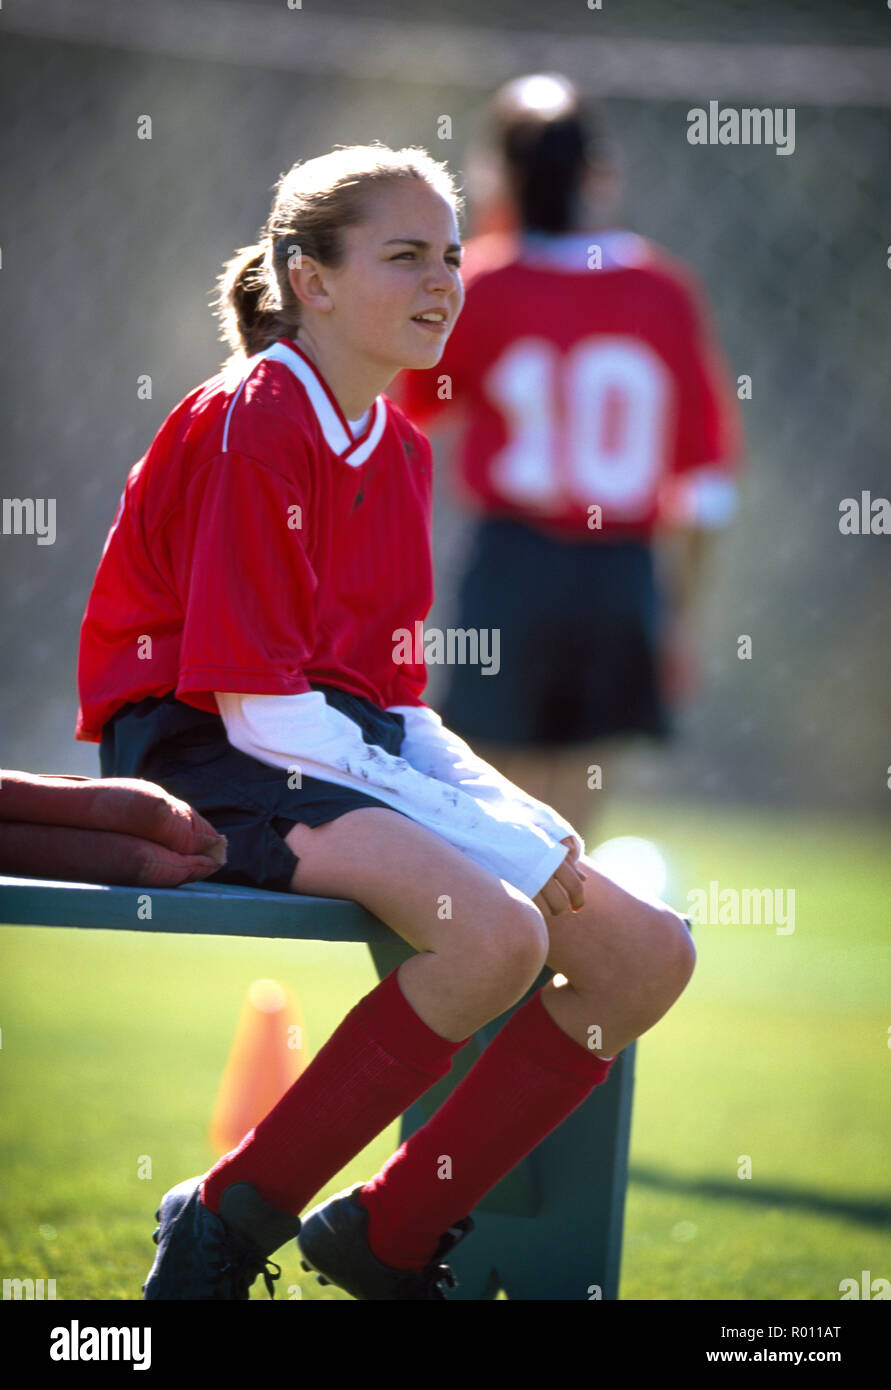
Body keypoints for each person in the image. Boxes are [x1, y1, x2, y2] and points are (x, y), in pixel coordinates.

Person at [75, 142, 696, 1301]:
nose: (442, 284)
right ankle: (220, 1221)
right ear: (309, 279)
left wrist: (522, 819)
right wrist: (499, 850)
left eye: (452, 257)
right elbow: (261, 710)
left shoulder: (403, 446)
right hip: (211, 746)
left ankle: (388, 1232)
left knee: (647, 955)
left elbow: (395, 710)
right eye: (404, 256)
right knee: (493, 933)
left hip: (324, 741)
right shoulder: (256, 416)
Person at [393, 75, 743, 841]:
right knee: (571, 825)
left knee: (486, 813)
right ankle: (556, 954)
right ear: (600, 174)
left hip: (513, 562)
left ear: (497, 178)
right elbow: (707, 485)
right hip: (618, 574)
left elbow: (402, 407)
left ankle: (501, 953)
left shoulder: (481, 281)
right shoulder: (661, 289)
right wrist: (679, 615)